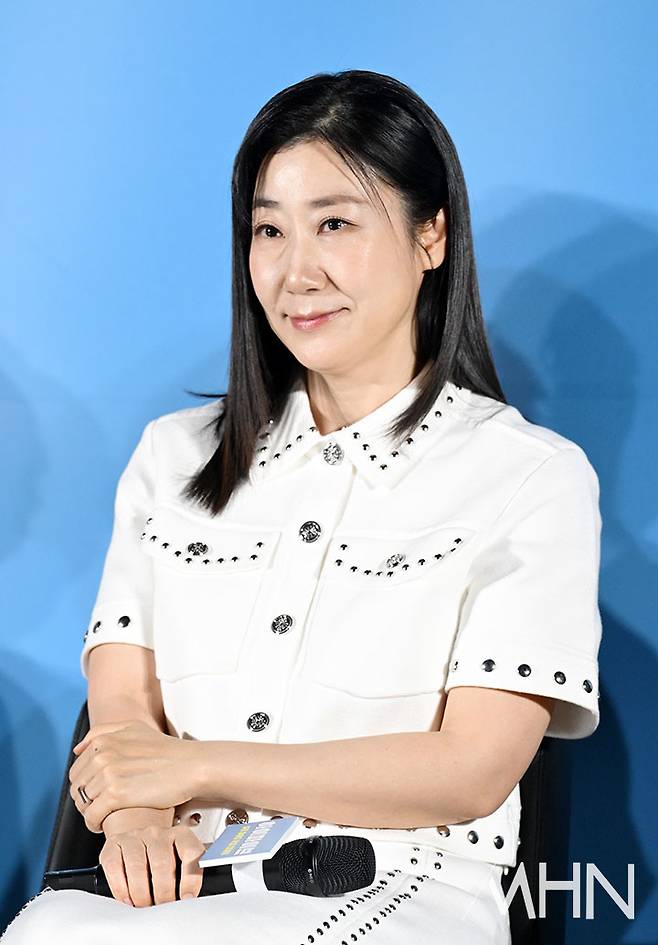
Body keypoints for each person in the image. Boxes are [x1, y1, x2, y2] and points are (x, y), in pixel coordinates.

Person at [1, 69, 602, 945]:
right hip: (187, 870)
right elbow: (121, 708)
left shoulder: (530, 475)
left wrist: (189, 768)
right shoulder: (172, 456)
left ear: (431, 234)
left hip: (407, 879)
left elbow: (472, 768)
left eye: (335, 224)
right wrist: (136, 819)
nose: (295, 272)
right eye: (269, 230)